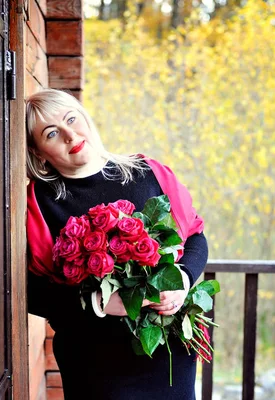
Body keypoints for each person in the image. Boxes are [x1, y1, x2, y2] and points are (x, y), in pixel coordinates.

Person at [25, 88, 209, 399]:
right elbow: (30, 290)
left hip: (167, 353)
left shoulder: (148, 173)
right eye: (52, 133)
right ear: (39, 152)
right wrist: (97, 301)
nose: (70, 135)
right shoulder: (40, 205)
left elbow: (195, 237)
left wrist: (183, 279)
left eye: (72, 119)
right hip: (95, 363)